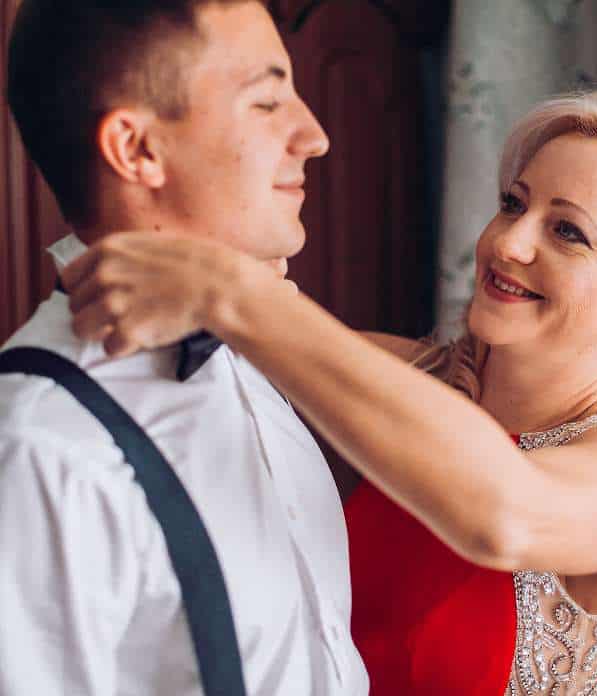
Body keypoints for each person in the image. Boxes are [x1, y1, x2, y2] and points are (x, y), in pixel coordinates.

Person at [63, 90, 597, 695]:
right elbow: (236, 336)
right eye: (512, 204)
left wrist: (234, 292)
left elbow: (503, 515)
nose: (507, 243)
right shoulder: (401, 381)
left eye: (568, 232)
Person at [0, 1, 370, 694]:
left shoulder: (252, 351)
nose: (315, 136)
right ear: (137, 149)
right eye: (267, 102)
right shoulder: (42, 448)